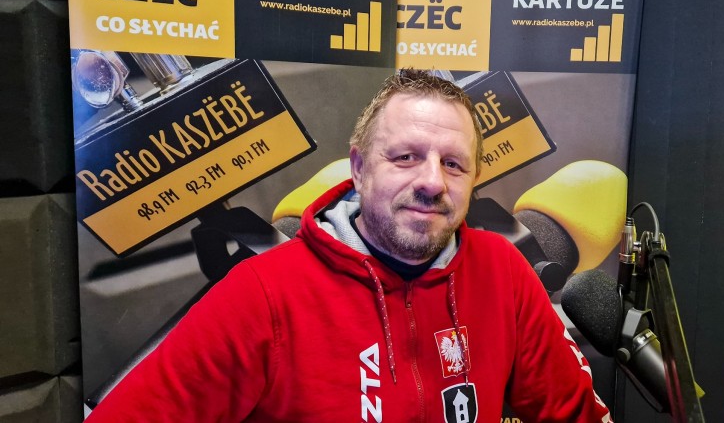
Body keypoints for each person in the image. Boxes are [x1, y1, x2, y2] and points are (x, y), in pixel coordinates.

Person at [87, 69, 612, 422]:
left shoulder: (503, 272)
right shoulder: (262, 294)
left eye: (454, 164)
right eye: (405, 157)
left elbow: (574, 414)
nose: (432, 182)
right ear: (359, 169)